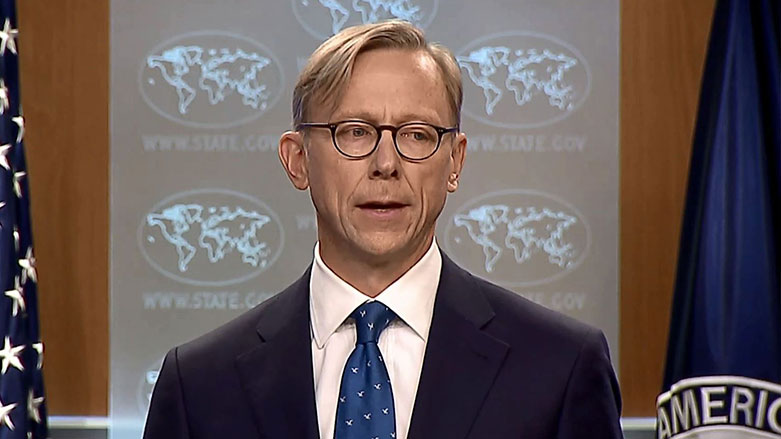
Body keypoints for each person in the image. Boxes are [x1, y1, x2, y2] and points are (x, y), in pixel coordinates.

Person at [143, 20, 622, 439]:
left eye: (416, 134)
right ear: (297, 160)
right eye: (355, 132)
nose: (386, 163)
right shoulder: (199, 385)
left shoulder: (561, 367)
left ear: (454, 162)